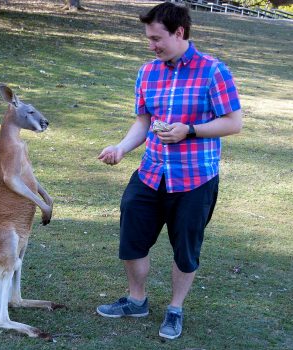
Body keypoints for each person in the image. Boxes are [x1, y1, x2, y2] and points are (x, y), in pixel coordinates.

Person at [96, 2, 242, 340]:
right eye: (148, 39)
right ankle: (137, 300)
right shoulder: (148, 72)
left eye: (156, 38)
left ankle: (175, 308)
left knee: (186, 249)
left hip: (195, 179)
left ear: (180, 32)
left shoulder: (214, 71)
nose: (151, 45)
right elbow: (143, 121)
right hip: (150, 174)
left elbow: (233, 123)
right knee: (132, 239)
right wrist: (121, 147)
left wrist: (188, 130)